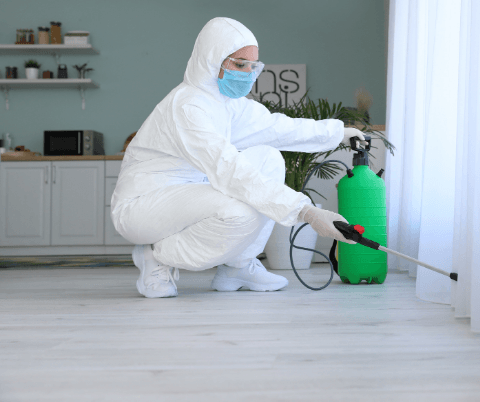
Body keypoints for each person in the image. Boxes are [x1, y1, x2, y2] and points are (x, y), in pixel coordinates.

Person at [111, 17, 364, 298]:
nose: (248, 74)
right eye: (240, 65)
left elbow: (276, 128)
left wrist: (338, 133)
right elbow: (228, 169)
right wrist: (305, 211)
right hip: (144, 205)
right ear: (211, 60)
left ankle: (237, 267)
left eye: (253, 66)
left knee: (269, 158)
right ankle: (156, 255)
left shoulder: (225, 103)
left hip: (189, 192)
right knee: (238, 214)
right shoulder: (188, 106)